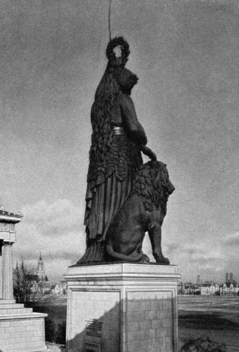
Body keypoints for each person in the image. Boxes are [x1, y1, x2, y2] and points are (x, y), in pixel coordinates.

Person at [78, 37, 156, 264]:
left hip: (104, 160)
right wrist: (143, 137)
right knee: (126, 202)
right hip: (124, 158)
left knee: (106, 200)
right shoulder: (123, 99)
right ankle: (126, 251)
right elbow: (134, 127)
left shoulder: (100, 105)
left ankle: (99, 248)